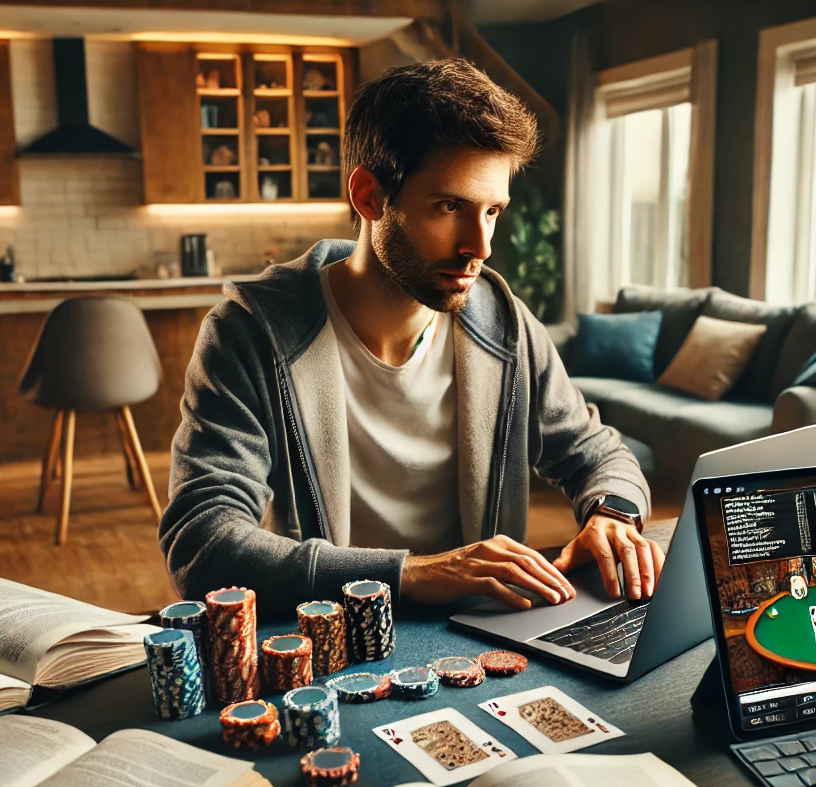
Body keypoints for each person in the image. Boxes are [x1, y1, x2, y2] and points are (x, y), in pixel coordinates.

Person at [160, 59, 662, 616]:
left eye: (492, 211)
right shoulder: (250, 333)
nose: (481, 245)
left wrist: (614, 515)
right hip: (336, 644)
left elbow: (596, 453)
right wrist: (410, 573)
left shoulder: (506, 324)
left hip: (487, 637)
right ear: (370, 197)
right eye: (450, 207)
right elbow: (201, 543)